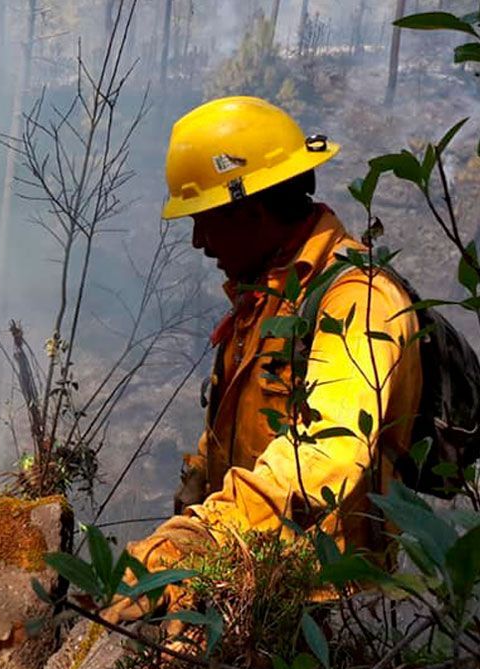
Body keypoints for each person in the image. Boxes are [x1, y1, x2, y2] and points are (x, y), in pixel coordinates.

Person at [104, 96, 421, 622]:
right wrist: (196, 491)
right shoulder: (269, 296)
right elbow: (243, 415)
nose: (198, 241)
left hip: (324, 602)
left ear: (250, 210)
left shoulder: (358, 300)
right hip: (250, 574)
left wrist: (199, 542)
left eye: (205, 220)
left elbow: (327, 456)